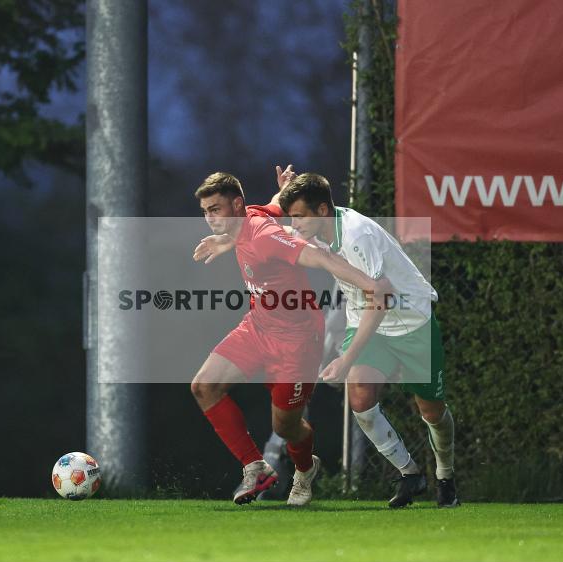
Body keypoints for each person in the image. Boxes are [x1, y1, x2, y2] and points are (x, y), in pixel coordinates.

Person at [190, 167, 392, 506]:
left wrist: (371, 285)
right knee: (203, 387)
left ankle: (304, 470)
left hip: (297, 342)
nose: (210, 218)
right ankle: (256, 467)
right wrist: (230, 237)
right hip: (258, 327)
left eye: (215, 210)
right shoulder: (251, 215)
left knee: (286, 427)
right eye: (205, 212)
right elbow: (273, 205)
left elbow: (320, 257)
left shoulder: (264, 235)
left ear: (236, 205)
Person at [279, 173, 459, 509]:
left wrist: (345, 359)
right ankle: (410, 474)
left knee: (431, 411)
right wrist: (231, 238)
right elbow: (276, 233)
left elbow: (382, 299)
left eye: (300, 215)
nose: (295, 223)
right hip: (367, 322)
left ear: (321, 210)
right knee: (360, 395)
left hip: (411, 322)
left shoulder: (356, 235)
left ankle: (445, 476)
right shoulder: (317, 226)